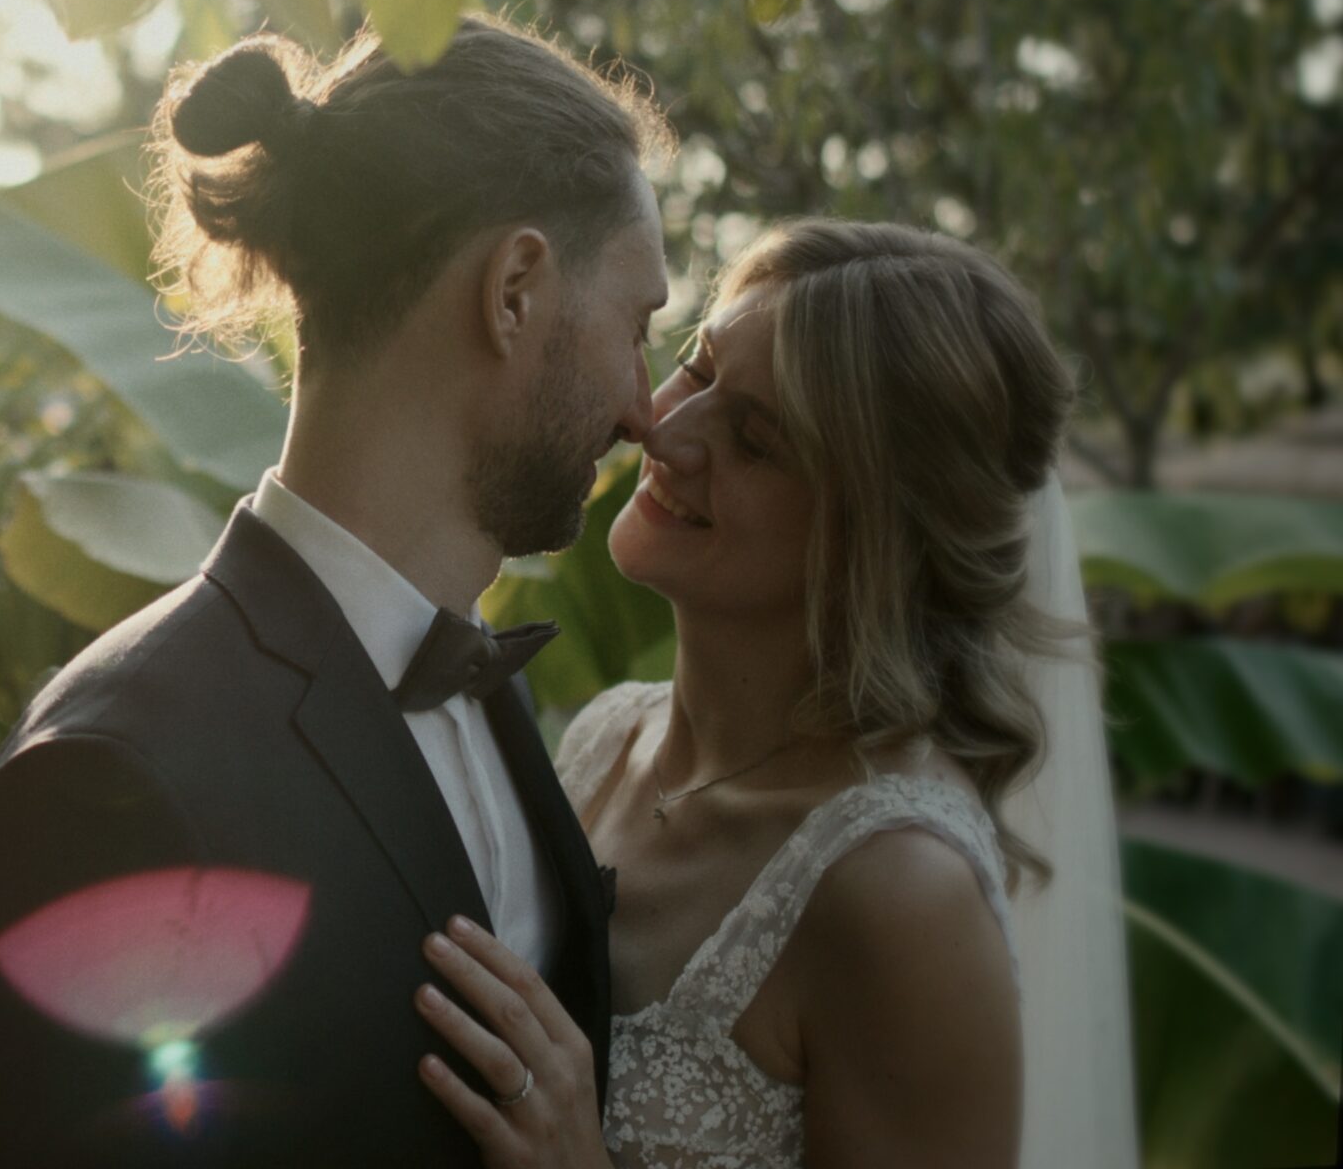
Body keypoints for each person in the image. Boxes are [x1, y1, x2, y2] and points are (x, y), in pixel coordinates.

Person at [0, 15, 675, 1167]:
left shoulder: (497, 705)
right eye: (636, 323)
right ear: (514, 290)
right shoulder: (110, 783)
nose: (644, 406)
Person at [413, 220, 1090, 1168]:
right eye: (696, 367)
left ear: (876, 534)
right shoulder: (606, 742)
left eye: (757, 440)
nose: (665, 429)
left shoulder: (899, 895)